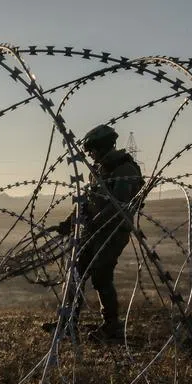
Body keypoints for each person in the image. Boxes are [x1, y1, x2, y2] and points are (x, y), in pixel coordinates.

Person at [49, 124, 144, 341]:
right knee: (76, 272)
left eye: (92, 149)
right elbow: (87, 201)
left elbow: (118, 206)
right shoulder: (100, 170)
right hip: (93, 231)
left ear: (102, 147)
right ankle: (67, 322)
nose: (90, 154)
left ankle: (112, 328)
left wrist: (94, 223)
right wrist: (69, 222)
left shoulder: (125, 170)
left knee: (101, 275)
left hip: (112, 233)